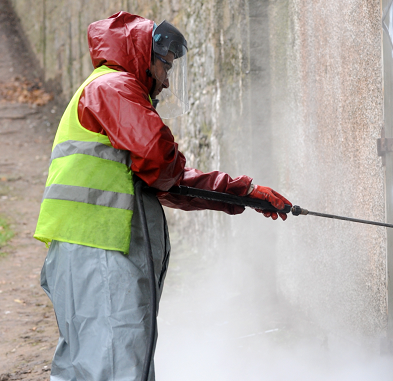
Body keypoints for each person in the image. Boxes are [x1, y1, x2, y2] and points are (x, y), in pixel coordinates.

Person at [33, 11, 291, 381]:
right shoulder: (115, 88)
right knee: (117, 366)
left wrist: (245, 193)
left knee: (89, 367)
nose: (167, 81)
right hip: (103, 252)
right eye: (166, 67)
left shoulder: (106, 90)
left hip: (88, 252)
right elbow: (160, 158)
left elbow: (167, 180)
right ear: (144, 56)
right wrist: (234, 190)